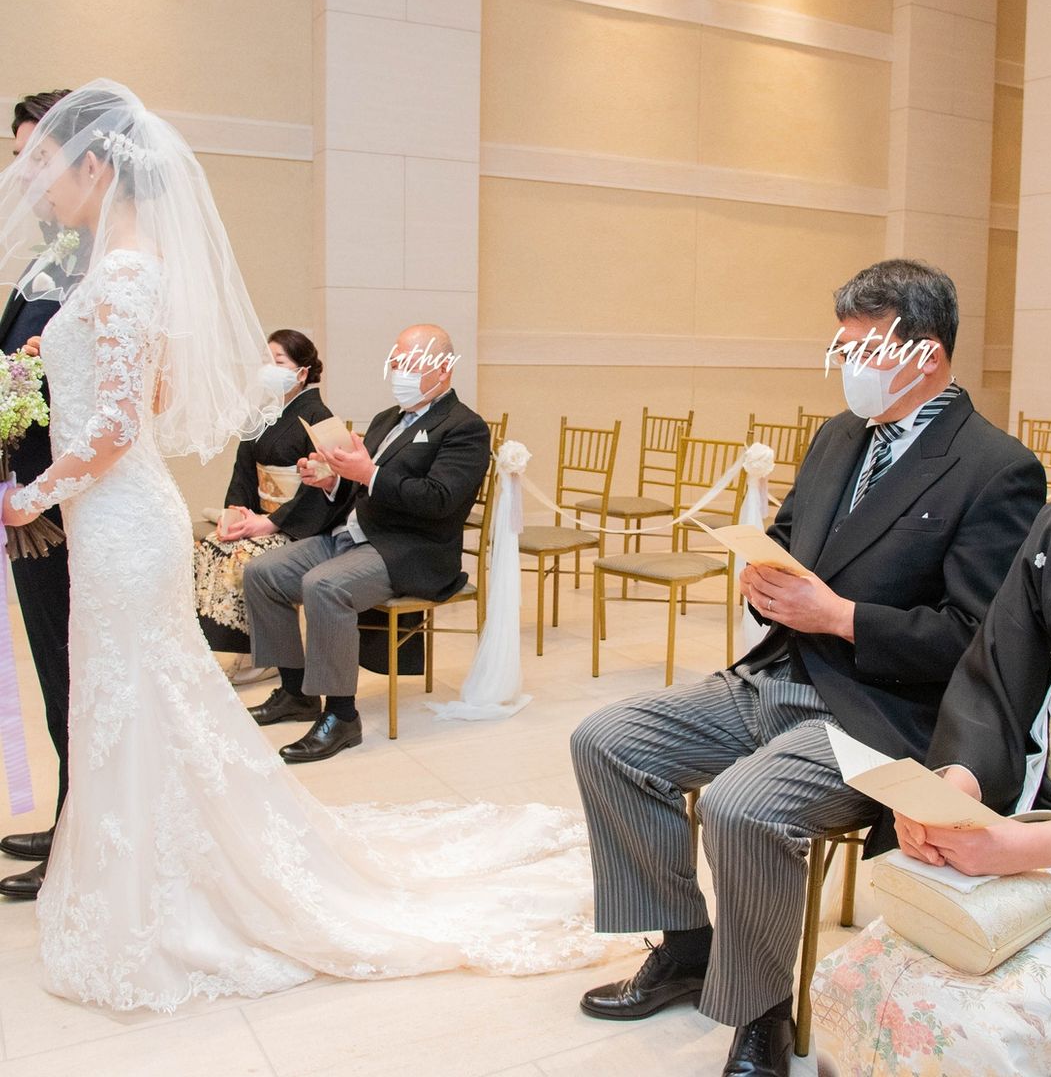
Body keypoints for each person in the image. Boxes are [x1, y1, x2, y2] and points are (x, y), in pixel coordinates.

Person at [0, 80, 605, 1012]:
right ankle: (142, 867)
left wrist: (29, 495)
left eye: (44, 165)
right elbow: (155, 398)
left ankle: (170, 878)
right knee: (135, 696)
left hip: (116, 518)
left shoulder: (120, 273)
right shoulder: (131, 267)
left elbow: (121, 423)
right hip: (118, 514)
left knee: (136, 693)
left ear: (93, 166)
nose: (34, 184)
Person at [570, 259, 1046, 1077]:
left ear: (927, 355)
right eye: (842, 347)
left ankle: (761, 1010)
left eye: (863, 348)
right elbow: (793, 539)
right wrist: (766, 576)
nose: (847, 364)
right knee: (607, 738)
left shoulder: (995, 467)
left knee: (741, 806)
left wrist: (842, 617)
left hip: (877, 711)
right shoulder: (838, 435)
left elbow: (977, 638)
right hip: (777, 673)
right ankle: (686, 948)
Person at [811, 276, 1051, 1077]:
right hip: (1049, 827)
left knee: (971, 1029)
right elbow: (997, 674)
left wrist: (1019, 847)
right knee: (858, 984)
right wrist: (959, 788)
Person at [242, 322, 490, 763]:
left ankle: (341, 716)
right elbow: (357, 486)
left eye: (411, 363)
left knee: (324, 586)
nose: (400, 372)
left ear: (443, 369)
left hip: (409, 548)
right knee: (263, 573)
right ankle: (297, 692)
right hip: (353, 535)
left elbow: (440, 499)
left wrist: (370, 473)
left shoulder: (464, 427)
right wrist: (330, 480)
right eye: (396, 362)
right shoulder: (385, 419)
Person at [0, 89, 74, 901]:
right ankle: (71, 815)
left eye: (36, 157)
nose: (22, 174)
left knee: (73, 675)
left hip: (63, 508)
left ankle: (80, 832)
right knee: (59, 673)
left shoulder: (93, 266)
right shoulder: (47, 259)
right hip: (32, 499)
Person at [194, 328, 332, 673]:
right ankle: (237, 648)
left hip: (297, 524)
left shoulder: (319, 418)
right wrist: (235, 513)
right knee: (211, 546)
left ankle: (267, 656)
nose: (269, 369)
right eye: (266, 361)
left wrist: (271, 522)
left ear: (302, 373)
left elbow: (319, 488)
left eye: (278, 362)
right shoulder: (262, 415)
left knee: (242, 556)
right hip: (259, 516)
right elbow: (244, 472)